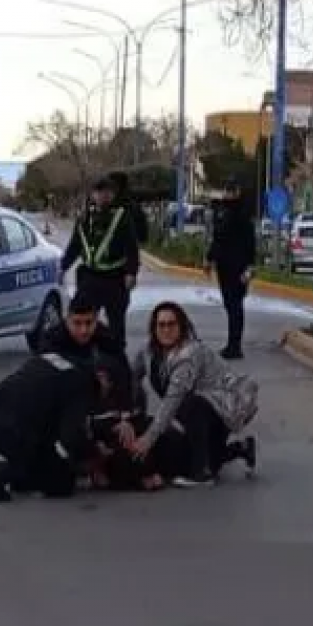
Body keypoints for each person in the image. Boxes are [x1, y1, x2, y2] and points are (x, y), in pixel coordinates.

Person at [127, 301, 259, 487]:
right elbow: (130, 378)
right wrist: (127, 413)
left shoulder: (188, 355)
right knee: (187, 459)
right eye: (161, 325)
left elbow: (172, 400)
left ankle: (201, 473)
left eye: (171, 324)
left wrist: (148, 438)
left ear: (181, 326)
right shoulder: (147, 351)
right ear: (154, 327)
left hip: (222, 407)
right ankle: (241, 448)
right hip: (197, 412)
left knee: (191, 405)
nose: (166, 330)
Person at [0, 347, 128, 504]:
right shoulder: (82, 385)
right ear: (102, 377)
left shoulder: (66, 361)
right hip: (5, 425)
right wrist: (94, 455)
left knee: (52, 463)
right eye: (111, 390)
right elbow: (71, 438)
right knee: (61, 483)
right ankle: (0, 472)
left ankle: (24, 477)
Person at [62, 176, 142, 348]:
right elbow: (75, 245)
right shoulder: (85, 218)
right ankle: (82, 359)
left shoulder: (121, 217)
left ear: (112, 195)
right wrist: (62, 267)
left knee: (116, 325)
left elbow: (131, 247)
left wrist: (131, 272)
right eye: (99, 192)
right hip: (90, 278)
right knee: (82, 318)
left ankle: (117, 363)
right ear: (92, 194)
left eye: (107, 192)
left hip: (115, 278)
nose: (103, 196)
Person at [204, 180, 258, 359]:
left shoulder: (242, 215)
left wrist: (250, 267)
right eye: (226, 191)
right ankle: (232, 344)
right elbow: (217, 239)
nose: (227, 194)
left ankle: (235, 346)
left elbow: (250, 243)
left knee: (235, 305)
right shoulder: (223, 212)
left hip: (238, 267)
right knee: (231, 305)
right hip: (224, 266)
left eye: (230, 191)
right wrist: (210, 259)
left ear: (237, 193)